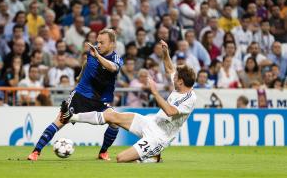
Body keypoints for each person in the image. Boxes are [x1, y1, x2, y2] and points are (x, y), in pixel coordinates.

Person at [62, 40, 197, 163]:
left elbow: (170, 111)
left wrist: (154, 92)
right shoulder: (180, 83)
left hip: (159, 137)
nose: (173, 77)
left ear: (181, 81)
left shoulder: (189, 99)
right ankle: (71, 116)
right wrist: (166, 52)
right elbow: (169, 68)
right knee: (112, 116)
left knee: (121, 159)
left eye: (176, 77)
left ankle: (154, 157)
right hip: (151, 122)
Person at [27, 29, 123, 161]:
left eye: (102, 42)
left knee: (115, 123)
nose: (99, 45)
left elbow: (113, 68)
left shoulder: (115, 58)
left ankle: (103, 153)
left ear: (112, 44)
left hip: (99, 100)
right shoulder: (94, 52)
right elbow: (86, 62)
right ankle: (35, 152)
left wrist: (97, 56)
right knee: (60, 121)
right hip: (80, 95)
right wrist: (80, 74)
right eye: (98, 42)